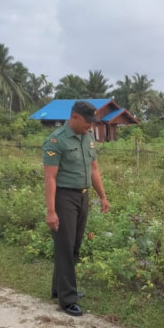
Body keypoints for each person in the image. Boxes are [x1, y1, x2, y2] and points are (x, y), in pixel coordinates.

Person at [43, 101, 110, 317]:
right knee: (64, 246)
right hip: (64, 197)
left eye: (92, 122)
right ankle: (68, 299)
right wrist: (51, 211)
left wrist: (102, 196)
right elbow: (50, 178)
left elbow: (94, 169)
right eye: (87, 122)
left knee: (73, 246)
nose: (90, 126)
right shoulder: (56, 141)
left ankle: (59, 289)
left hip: (83, 196)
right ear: (74, 117)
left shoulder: (88, 138)